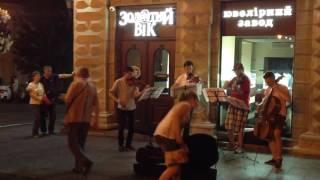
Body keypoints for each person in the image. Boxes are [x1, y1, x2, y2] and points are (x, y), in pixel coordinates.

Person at [154, 91, 198, 180]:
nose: (197, 103)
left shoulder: (184, 106)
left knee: (176, 166)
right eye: (196, 100)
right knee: (175, 167)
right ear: (191, 99)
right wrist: (179, 140)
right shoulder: (185, 105)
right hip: (167, 136)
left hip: (163, 135)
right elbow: (175, 121)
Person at [64, 67, 99, 176]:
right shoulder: (93, 87)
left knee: (72, 143)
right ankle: (78, 167)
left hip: (75, 118)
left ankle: (86, 161)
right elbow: (97, 104)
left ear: (79, 74)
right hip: (86, 119)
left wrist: (63, 97)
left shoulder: (76, 84)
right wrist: (95, 119)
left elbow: (68, 99)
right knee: (81, 143)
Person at [109, 66, 144, 152]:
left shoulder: (134, 83)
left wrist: (143, 91)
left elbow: (135, 96)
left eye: (131, 74)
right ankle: (121, 145)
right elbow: (110, 93)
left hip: (132, 107)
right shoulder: (118, 82)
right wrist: (117, 100)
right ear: (125, 73)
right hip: (122, 108)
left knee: (131, 128)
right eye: (129, 74)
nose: (130, 76)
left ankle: (128, 145)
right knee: (121, 127)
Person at [262, 72, 290, 169]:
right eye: (266, 82)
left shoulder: (282, 88)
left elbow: (289, 100)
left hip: (280, 114)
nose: (267, 84)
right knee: (269, 136)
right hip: (269, 115)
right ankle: (275, 158)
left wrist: (277, 89)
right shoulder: (267, 90)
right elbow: (265, 102)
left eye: (269, 82)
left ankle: (279, 158)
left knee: (276, 134)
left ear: (273, 79)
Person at [224, 63, 250, 153]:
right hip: (233, 103)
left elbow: (243, 93)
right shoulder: (235, 79)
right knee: (228, 125)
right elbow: (227, 88)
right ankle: (232, 144)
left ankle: (240, 147)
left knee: (239, 128)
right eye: (235, 70)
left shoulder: (246, 79)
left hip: (241, 105)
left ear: (242, 69)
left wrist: (237, 89)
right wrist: (226, 85)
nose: (236, 72)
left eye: (238, 70)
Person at [40, 65, 73, 135]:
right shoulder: (41, 79)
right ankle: (43, 131)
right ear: (44, 71)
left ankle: (51, 130)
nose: (50, 72)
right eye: (48, 71)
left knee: (53, 116)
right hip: (43, 100)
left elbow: (62, 75)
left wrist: (72, 75)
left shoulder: (53, 76)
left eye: (51, 71)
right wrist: (44, 98)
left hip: (52, 99)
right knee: (42, 116)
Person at [26, 71, 45, 138]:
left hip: (41, 104)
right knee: (37, 118)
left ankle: (39, 132)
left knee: (40, 118)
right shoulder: (31, 84)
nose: (38, 77)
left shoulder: (41, 84)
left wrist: (45, 99)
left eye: (39, 76)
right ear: (33, 77)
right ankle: (34, 133)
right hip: (34, 103)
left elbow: (43, 93)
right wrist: (38, 99)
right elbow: (30, 93)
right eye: (37, 76)